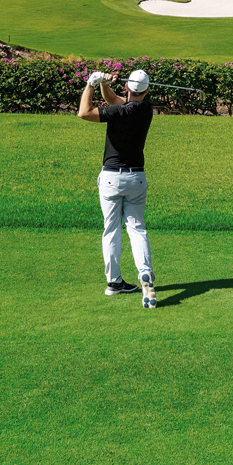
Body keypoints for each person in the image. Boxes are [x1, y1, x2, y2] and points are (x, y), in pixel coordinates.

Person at [77, 68, 158, 308]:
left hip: (111, 178)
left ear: (128, 88)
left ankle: (114, 283)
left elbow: (83, 113)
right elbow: (114, 100)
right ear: (146, 90)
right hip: (137, 179)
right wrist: (104, 83)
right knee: (137, 229)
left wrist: (91, 83)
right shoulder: (146, 109)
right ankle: (145, 274)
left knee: (111, 229)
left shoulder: (117, 113)